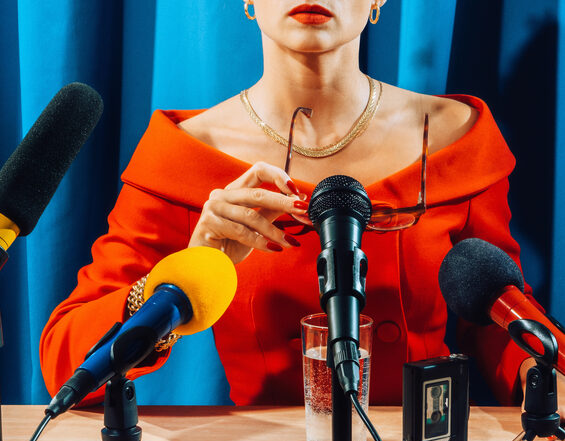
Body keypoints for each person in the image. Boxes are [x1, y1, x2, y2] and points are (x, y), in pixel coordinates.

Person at [39, 1, 565, 415]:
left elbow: (499, 314)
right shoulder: (185, 156)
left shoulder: (456, 138)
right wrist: (182, 276)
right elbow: (66, 364)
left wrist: (540, 373)